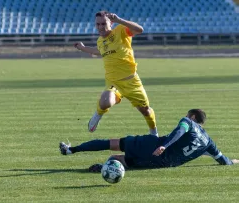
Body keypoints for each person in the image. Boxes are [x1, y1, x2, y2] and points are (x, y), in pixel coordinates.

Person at [59, 109, 239, 171]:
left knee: (113, 143)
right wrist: (234, 161)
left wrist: (163, 145)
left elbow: (179, 131)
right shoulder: (208, 142)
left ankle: (71, 150)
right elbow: (223, 161)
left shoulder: (188, 123)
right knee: (118, 159)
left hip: (153, 146)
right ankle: (105, 168)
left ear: (192, 116)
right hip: (163, 163)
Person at [74, 11, 158, 136]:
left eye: (104, 24)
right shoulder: (100, 41)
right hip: (113, 82)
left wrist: (119, 20)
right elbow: (99, 51)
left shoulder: (121, 31)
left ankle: (153, 132)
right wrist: (82, 48)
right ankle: (97, 115)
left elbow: (139, 30)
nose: (101, 27)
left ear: (111, 23)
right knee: (105, 101)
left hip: (131, 81)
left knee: (145, 111)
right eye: (98, 24)